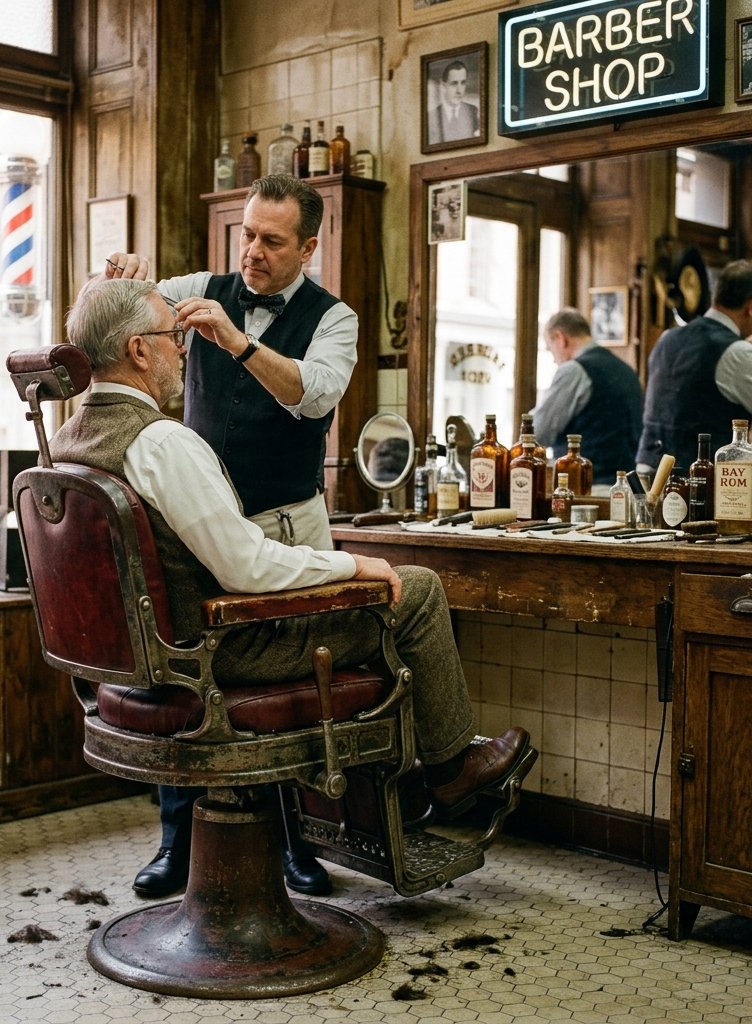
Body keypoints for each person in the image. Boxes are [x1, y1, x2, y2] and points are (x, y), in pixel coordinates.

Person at [51, 274, 536, 898]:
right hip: (219, 659)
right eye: (172, 338)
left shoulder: (65, 443)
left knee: (378, 587)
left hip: (124, 674)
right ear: (139, 352)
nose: (182, 349)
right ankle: (449, 772)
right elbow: (247, 571)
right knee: (415, 589)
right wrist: (352, 566)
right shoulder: (160, 443)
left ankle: (386, 794)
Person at [104, 175, 358, 899]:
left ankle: (294, 845)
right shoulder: (204, 285)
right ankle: (175, 844)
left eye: (272, 241)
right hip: (201, 526)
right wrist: (122, 278)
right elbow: (134, 315)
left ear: (310, 246)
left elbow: (309, 394)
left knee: (284, 684)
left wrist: (236, 340)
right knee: (193, 670)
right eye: (247, 233)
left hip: (287, 522)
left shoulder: (335, 319)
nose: (252, 252)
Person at [635, 260, 752, 474]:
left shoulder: (668, 338)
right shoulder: (738, 353)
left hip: (646, 470)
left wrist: (743, 348)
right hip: (695, 480)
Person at [531, 309, 643, 486]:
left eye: (550, 348)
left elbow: (538, 431)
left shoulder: (574, 371)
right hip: (627, 486)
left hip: (587, 489)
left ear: (561, 339)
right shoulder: (626, 370)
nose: (553, 359)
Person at [427, 60, 480, 144]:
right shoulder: (432, 116)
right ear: (444, 85)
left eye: (463, 83)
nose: (459, 91)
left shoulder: (472, 110)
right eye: (454, 84)